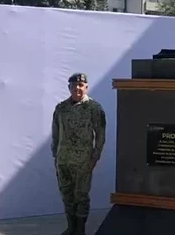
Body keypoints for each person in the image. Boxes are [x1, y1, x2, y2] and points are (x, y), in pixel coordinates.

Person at [51, 73, 107, 235]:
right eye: (74, 85)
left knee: (81, 196)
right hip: (63, 160)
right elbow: (55, 133)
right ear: (69, 88)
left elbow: (101, 135)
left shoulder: (94, 108)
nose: (78, 88)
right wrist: (56, 154)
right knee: (66, 195)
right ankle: (71, 227)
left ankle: (80, 230)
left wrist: (95, 157)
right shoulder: (61, 108)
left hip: (83, 161)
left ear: (86, 87)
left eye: (81, 85)